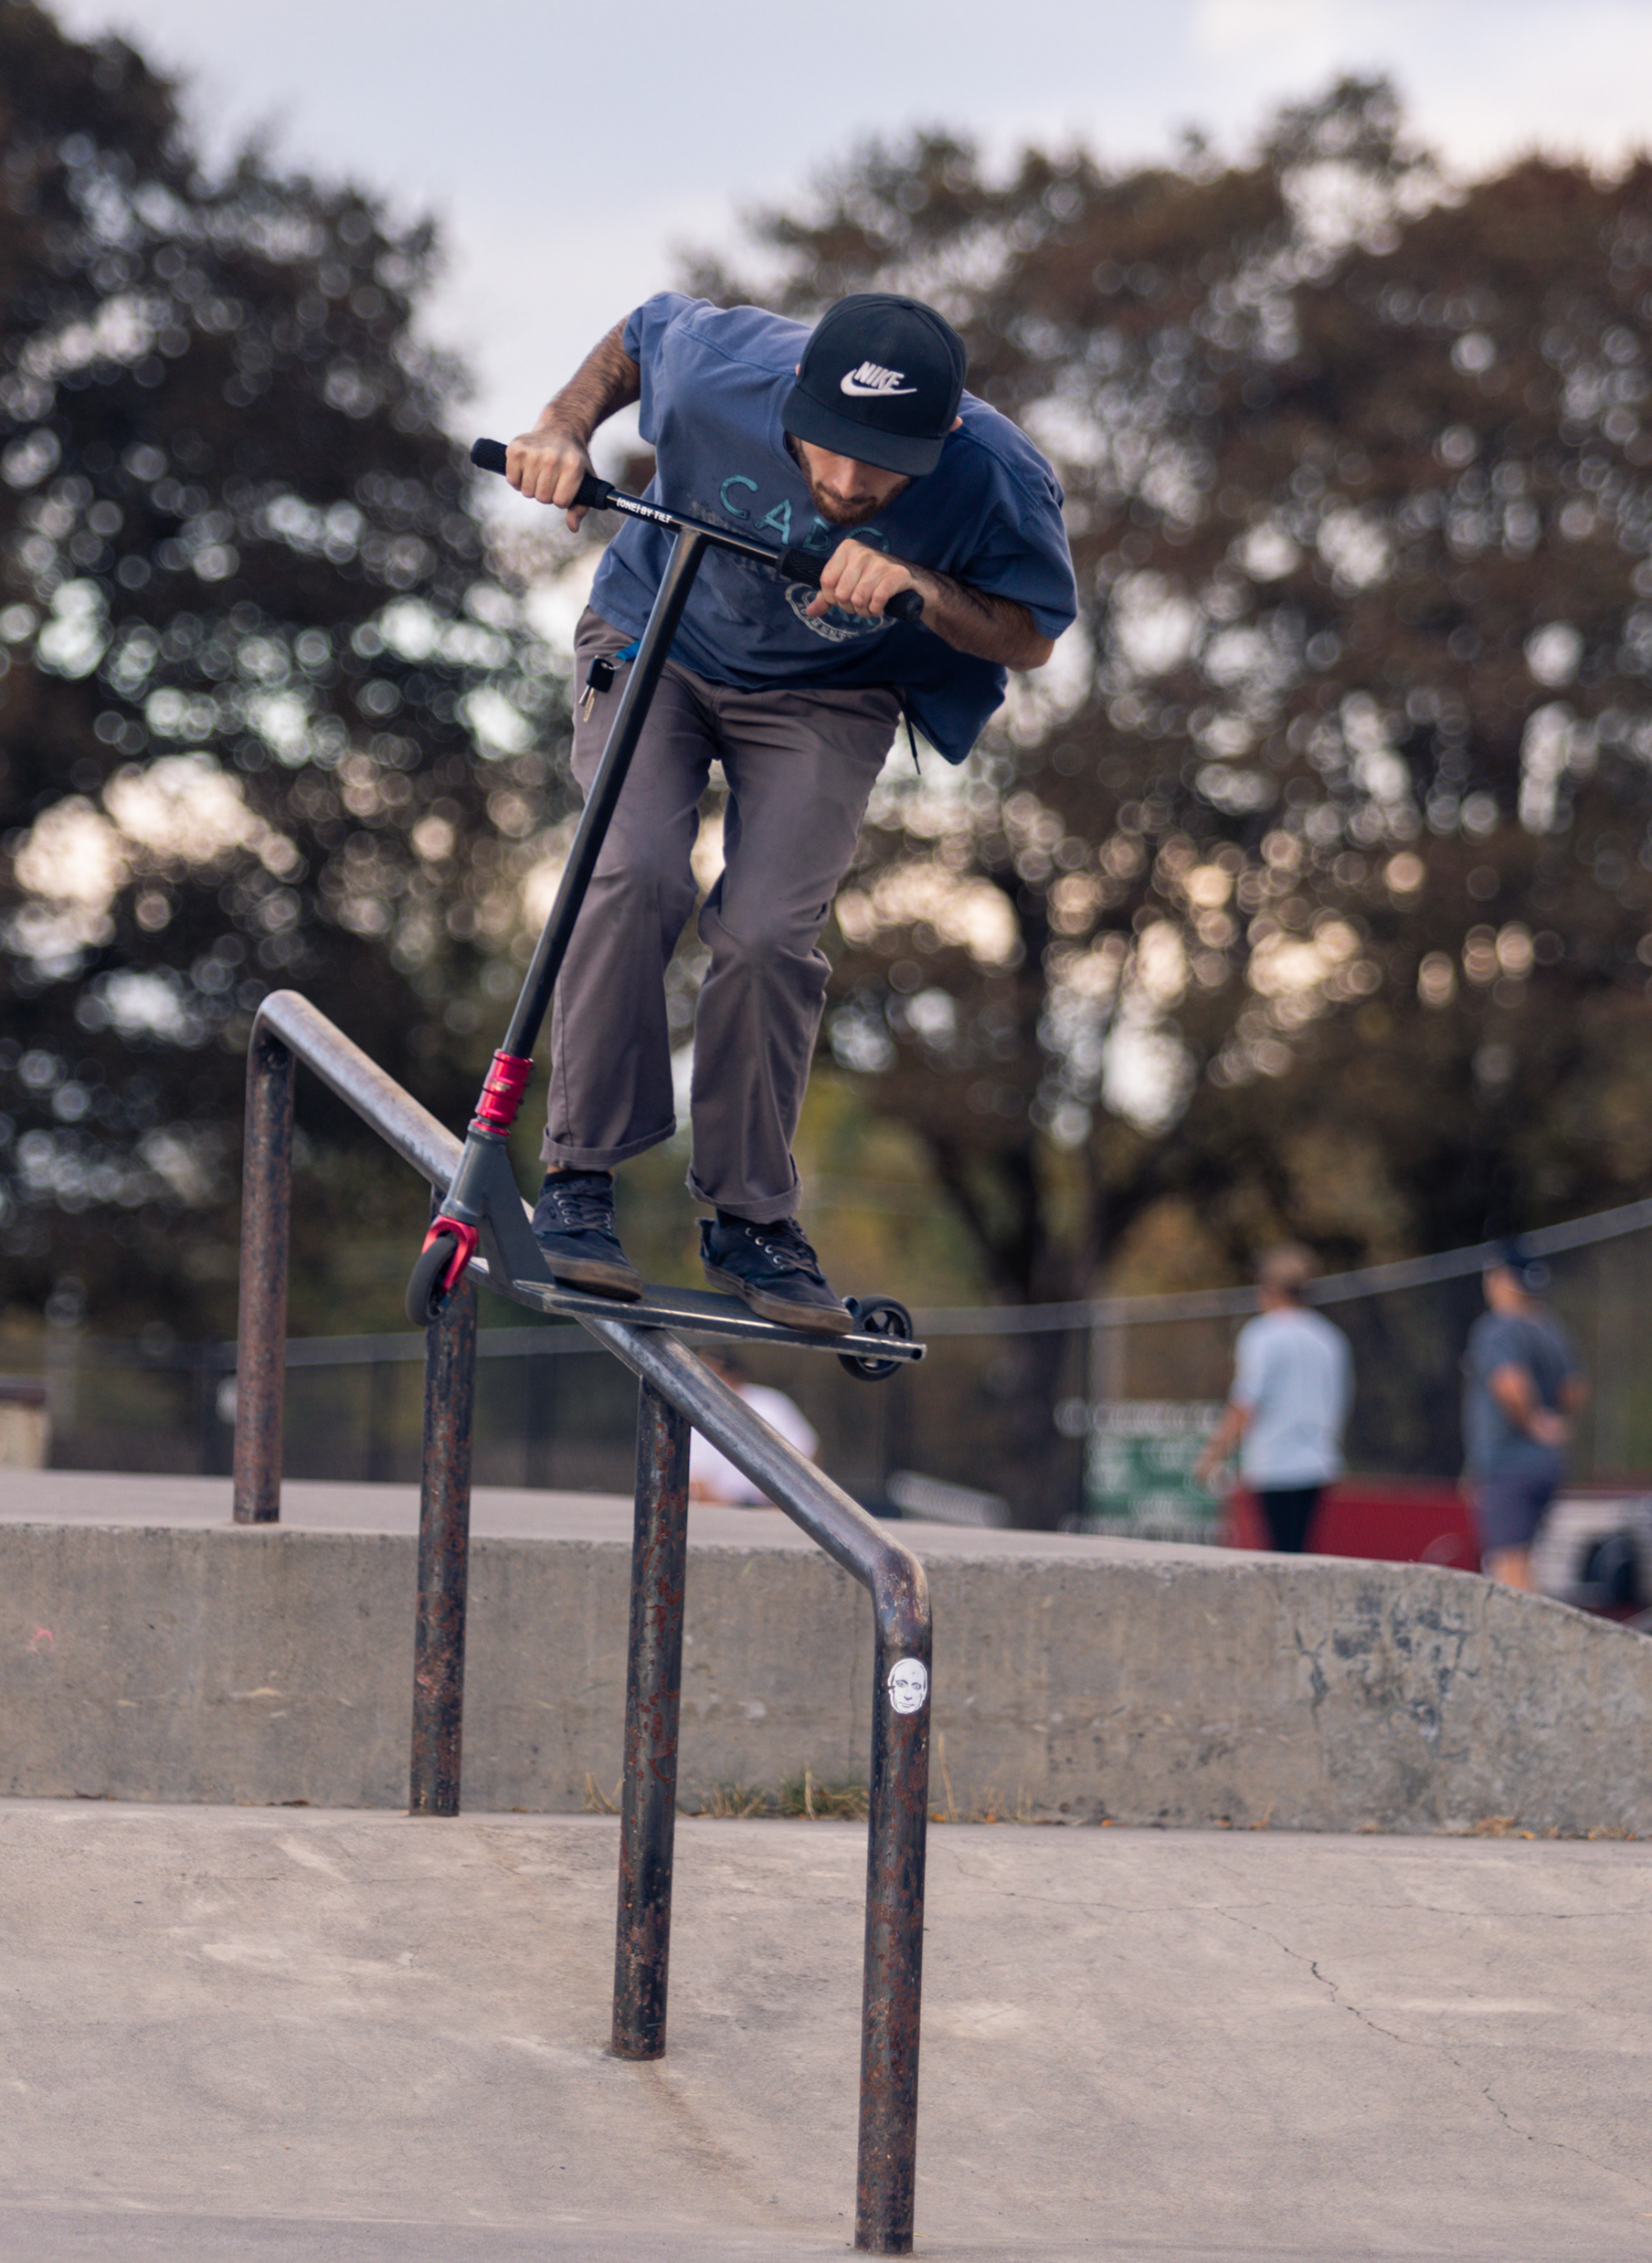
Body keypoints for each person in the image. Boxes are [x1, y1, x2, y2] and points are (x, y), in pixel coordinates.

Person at [496, 291, 1077, 1331]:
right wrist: (562, 427)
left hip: (831, 690)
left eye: (882, 466)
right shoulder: (724, 362)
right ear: (797, 393)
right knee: (632, 870)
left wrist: (919, 586)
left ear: (945, 432)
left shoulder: (1000, 472)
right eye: (829, 447)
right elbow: (639, 335)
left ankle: (751, 1219)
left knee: (768, 931)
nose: (847, 483)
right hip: (655, 636)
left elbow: (1029, 632)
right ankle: (579, 1177)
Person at [1194, 1244, 1353, 1554]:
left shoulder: (1263, 1334)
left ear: (1267, 1289)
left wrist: (1213, 1453)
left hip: (1274, 1463)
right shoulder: (1329, 1337)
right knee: (1299, 1548)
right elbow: (1340, 1400)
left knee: (1278, 1552)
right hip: (1318, 1462)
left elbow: (1246, 1401)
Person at [1466, 1243, 1588, 1592]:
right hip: (1547, 1465)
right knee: (1527, 1560)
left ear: (1502, 1280)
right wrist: (1553, 1420)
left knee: (1509, 1565)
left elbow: (1510, 1384)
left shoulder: (1497, 1329)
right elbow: (1574, 1389)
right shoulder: (1551, 1329)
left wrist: (1533, 1422)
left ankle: (1520, 1631)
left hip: (1508, 1464)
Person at [683, 1345, 820, 1507]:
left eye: (715, 1373)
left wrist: (784, 1501)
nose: (705, 1380)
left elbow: (805, 1456)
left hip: (772, 1507)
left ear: (733, 1373)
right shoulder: (691, 1410)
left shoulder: (769, 1404)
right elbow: (695, 1479)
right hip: (719, 1511)